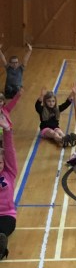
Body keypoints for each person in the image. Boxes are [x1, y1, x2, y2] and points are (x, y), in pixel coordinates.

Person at [0, 111, 18, 260]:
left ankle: (1, 246)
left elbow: (10, 151)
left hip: (7, 216)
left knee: (1, 233)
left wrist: (7, 130)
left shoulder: (9, 172)